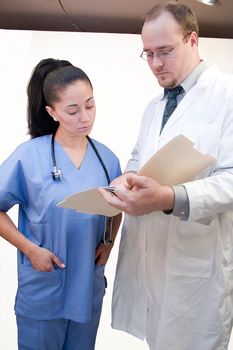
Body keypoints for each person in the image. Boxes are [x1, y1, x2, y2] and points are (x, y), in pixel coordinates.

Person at [99, 2, 233, 350]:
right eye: (148, 54)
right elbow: (138, 158)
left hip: (197, 273)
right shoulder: (154, 107)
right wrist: (125, 180)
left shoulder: (226, 96)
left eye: (165, 51)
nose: (156, 64)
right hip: (153, 265)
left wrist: (169, 198)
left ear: (193, 40)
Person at [0, 58, 122, 350]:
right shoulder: (29, 156)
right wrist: (30, 250)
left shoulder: (107, 159)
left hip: (87, 289)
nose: (85, 117)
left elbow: (118, 205)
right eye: (72, 110)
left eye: (90, 105)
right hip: (45, 288)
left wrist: (109, 241)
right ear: (51, 112)